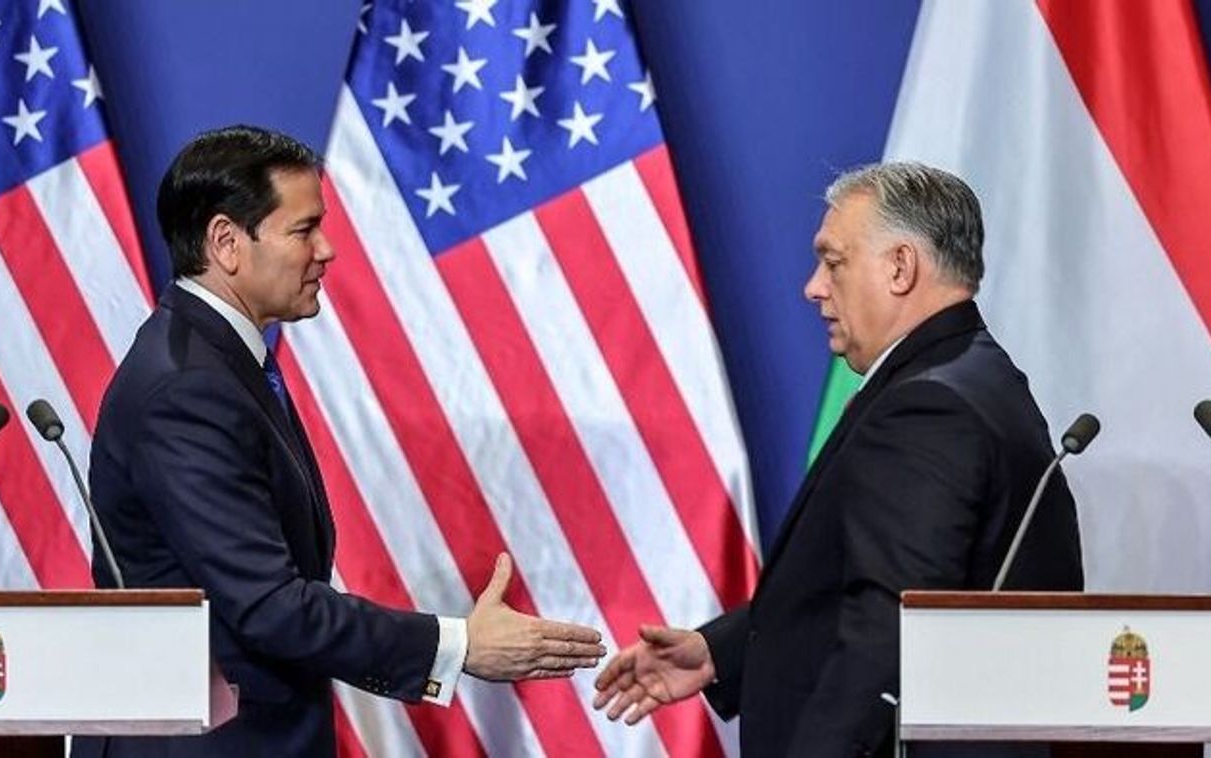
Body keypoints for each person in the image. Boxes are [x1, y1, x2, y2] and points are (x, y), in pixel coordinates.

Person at [73, 125, 604, 758]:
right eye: (303, 230)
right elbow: (270, 606)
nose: (326, 250)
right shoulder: (187, 388)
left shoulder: (216, 363)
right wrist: (458, 645)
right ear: (226, 242)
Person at [593, 162, 1083, 757]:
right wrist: (724, 650)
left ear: (899, 267)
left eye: (834, 261)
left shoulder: (927, 407)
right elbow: (891, 595)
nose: (814, 287)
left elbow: (891, 622)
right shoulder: (979, 374)